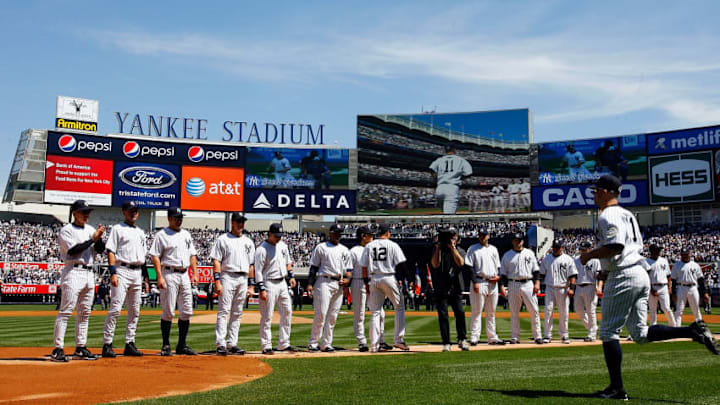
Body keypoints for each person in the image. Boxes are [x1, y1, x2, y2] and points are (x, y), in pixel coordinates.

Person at [580, 175, 718, 400]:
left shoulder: (608, 214)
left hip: (623, 275)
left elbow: (615, 246)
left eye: (596, 191)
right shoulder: (627, 214)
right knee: (640, 333)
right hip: (639, 273)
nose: (593, 194)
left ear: (606, 192)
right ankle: (692, 330)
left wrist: (589, 255)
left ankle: (617, 389)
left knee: (608, 333)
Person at [51, 200, 106, 362]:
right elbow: (74, 251)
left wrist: (99, 238)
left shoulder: (90, 229)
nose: (87, 214)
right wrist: (92, 239)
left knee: (85, 313)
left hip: (89, 273)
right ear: (74, 213)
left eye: (88, 212)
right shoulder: (66, 230)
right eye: (83, 212)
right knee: (66, 311)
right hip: (73, 271)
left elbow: (100, 250)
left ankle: (80, 347)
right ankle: (57, 348)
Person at [150, 207, 199, 356]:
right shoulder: (162, 235)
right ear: (169, 218)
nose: (179, 220)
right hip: (169, 273)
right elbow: (155, 256)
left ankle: (181, 345)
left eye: (180, 217)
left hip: (184, 274)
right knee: (169, 310)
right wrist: (159, 276)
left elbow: (192, 255)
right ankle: (166, 345)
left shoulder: (186, 234)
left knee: (187, 311)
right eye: (176, 217)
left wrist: (195, 273)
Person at [102, 201, 148, 358]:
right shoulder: (117, 229)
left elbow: (144, 257)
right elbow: (110, 252)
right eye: (130, 210)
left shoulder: (141, 232)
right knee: (115, 308)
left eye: (135, 210)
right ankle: (107, 344)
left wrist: (146, 278)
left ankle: (130, 343)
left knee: (135, 310)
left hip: (137, 272)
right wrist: (112, 272)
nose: (133, 213)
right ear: (124, 212)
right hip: (121, 270)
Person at [211, 212, 256, 356]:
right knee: (224, 311)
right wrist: (217, 281)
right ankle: (221, 343)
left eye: (242, 222)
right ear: (233, 222)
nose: (241, 224)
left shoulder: (248, 241)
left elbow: (251, 265)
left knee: (237, 312)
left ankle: (232, 343)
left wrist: (251, 285)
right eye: (238, 221)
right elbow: (216, 260)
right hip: (227, 276)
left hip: (243, 278)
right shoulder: (223, 239)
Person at [361, 223, 410, 352]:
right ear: (388, 233)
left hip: (374, 278)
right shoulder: (392, 245)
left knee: (375, 312)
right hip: (388, 277)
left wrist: (366, 283)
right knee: (399, 307)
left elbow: (364, 267)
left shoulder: (370, 245)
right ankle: (398, 340)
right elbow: (402, 264)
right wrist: (408, 279)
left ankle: (374, 345)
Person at [306, 224, 353, 352]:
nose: (338, 235)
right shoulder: (321, 247)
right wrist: (310, 284)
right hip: (324, 281)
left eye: (339, 233)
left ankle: (326, 343)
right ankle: (313, 342)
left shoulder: (344, 249)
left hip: (338, 283)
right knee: (321, 313)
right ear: (330, 233)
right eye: (336, 233)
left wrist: (348, 280)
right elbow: (314, 267)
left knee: (333, 316)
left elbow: (349, 270)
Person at [255, 223, 297, 355]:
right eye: (276, 236)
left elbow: (287, 262)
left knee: (287, 312)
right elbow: (258, 271)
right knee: (267, 316)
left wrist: (291, 276)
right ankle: (266, 345)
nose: (279, 238)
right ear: (270, 234)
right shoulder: (262, 249)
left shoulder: (283, 245)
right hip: (269, 283)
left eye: (280, 235)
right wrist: (261, 288)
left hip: (282, 282)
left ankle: (284, 343)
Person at [430, 227, 469, 352]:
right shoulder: (439, 251)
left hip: (456, 286)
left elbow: (461, 263)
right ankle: (446, 342)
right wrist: (438, 248)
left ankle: (462, 338)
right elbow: (435, 264)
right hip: (441, 287)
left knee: (460, 313)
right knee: (443, 316)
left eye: (453, 236)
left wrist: (453, 248)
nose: (451, 239)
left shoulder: (460, 250)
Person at [500, 232, 543, 345]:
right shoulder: (507, 255)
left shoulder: (529, 253)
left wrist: (537, 283)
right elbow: (503, 274)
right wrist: (502, 286)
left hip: (528, 283)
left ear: (523, 241)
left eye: (519, 240)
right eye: (515, 240)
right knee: (514, 312)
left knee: (534, 311)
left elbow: (536, 270)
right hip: (513, 283)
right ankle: (515, 337)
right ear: (513, 241)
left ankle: (537, 336)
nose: (517, 242)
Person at [465, 229, 505, 346]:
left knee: (491, 312)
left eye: (484, 235)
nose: (482, 237)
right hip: (479, 281)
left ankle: (492, 337)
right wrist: (474, 282)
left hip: (492, 283)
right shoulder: (473, 248)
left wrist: (499, 278)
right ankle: (474, 337)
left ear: (488, 236)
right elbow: (469, 267)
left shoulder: (493, 249)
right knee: (476, 311)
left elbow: (498, 267)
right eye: (480, 235)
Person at [540, 239, 578, 344]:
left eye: (558, 247)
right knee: (548, 311)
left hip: (563, 288)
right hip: (550, 287)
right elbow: (541, 274)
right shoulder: (546, 259)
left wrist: (572, 288)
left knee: (564, 313)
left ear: (562, 247)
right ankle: (547, 335)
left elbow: (573, 275)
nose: (556, 249)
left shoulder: (568, 259)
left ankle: (564, 335)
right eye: (554, 247)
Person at [429, 143, 472, 214]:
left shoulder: (439, 159)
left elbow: (431, 169)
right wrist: (459, 177)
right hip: (452, 187)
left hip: (440, 188)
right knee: (449, 218)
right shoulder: (460, 160)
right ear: (454, 149)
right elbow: (469, 173)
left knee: (444, 214)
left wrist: (436, 179)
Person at [574, 240, 601, 341]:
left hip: (591, 286)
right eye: (581, 249)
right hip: (578, 286)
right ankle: (592, 327)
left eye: (585, 249)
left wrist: (599, 286)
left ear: (590, 249)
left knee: (591, 311)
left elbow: (599, 275)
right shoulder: (576, 260)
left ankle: (592, 334)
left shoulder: (595, 260)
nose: (583, 251)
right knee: (578, 310)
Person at [672, 247, 707, 325]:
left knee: (696, 309)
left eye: (686, 254)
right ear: (681, 255)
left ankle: (700, 328)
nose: (685, 256)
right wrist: (673, 293)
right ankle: (676, 329)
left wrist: (705, 292)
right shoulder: (677, 265)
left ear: (690, 254)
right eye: (683, 254)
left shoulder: (695, 265)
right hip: (681, 287)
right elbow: (673, 280)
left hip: (693, 288)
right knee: (679, 310)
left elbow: (701, 279)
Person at [646, 243, 676, 327]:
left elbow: (668, 275)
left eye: (659, 250)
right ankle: (653, 328)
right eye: (657, 250)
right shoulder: (646, 262)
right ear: (651, 251)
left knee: (666, 308)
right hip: (652, 286)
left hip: (663, 286)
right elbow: (646, 277)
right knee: (652, 309)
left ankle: (674, 327)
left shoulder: (663, 260)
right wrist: (651, 289)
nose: (658, 252)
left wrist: (669, 287)